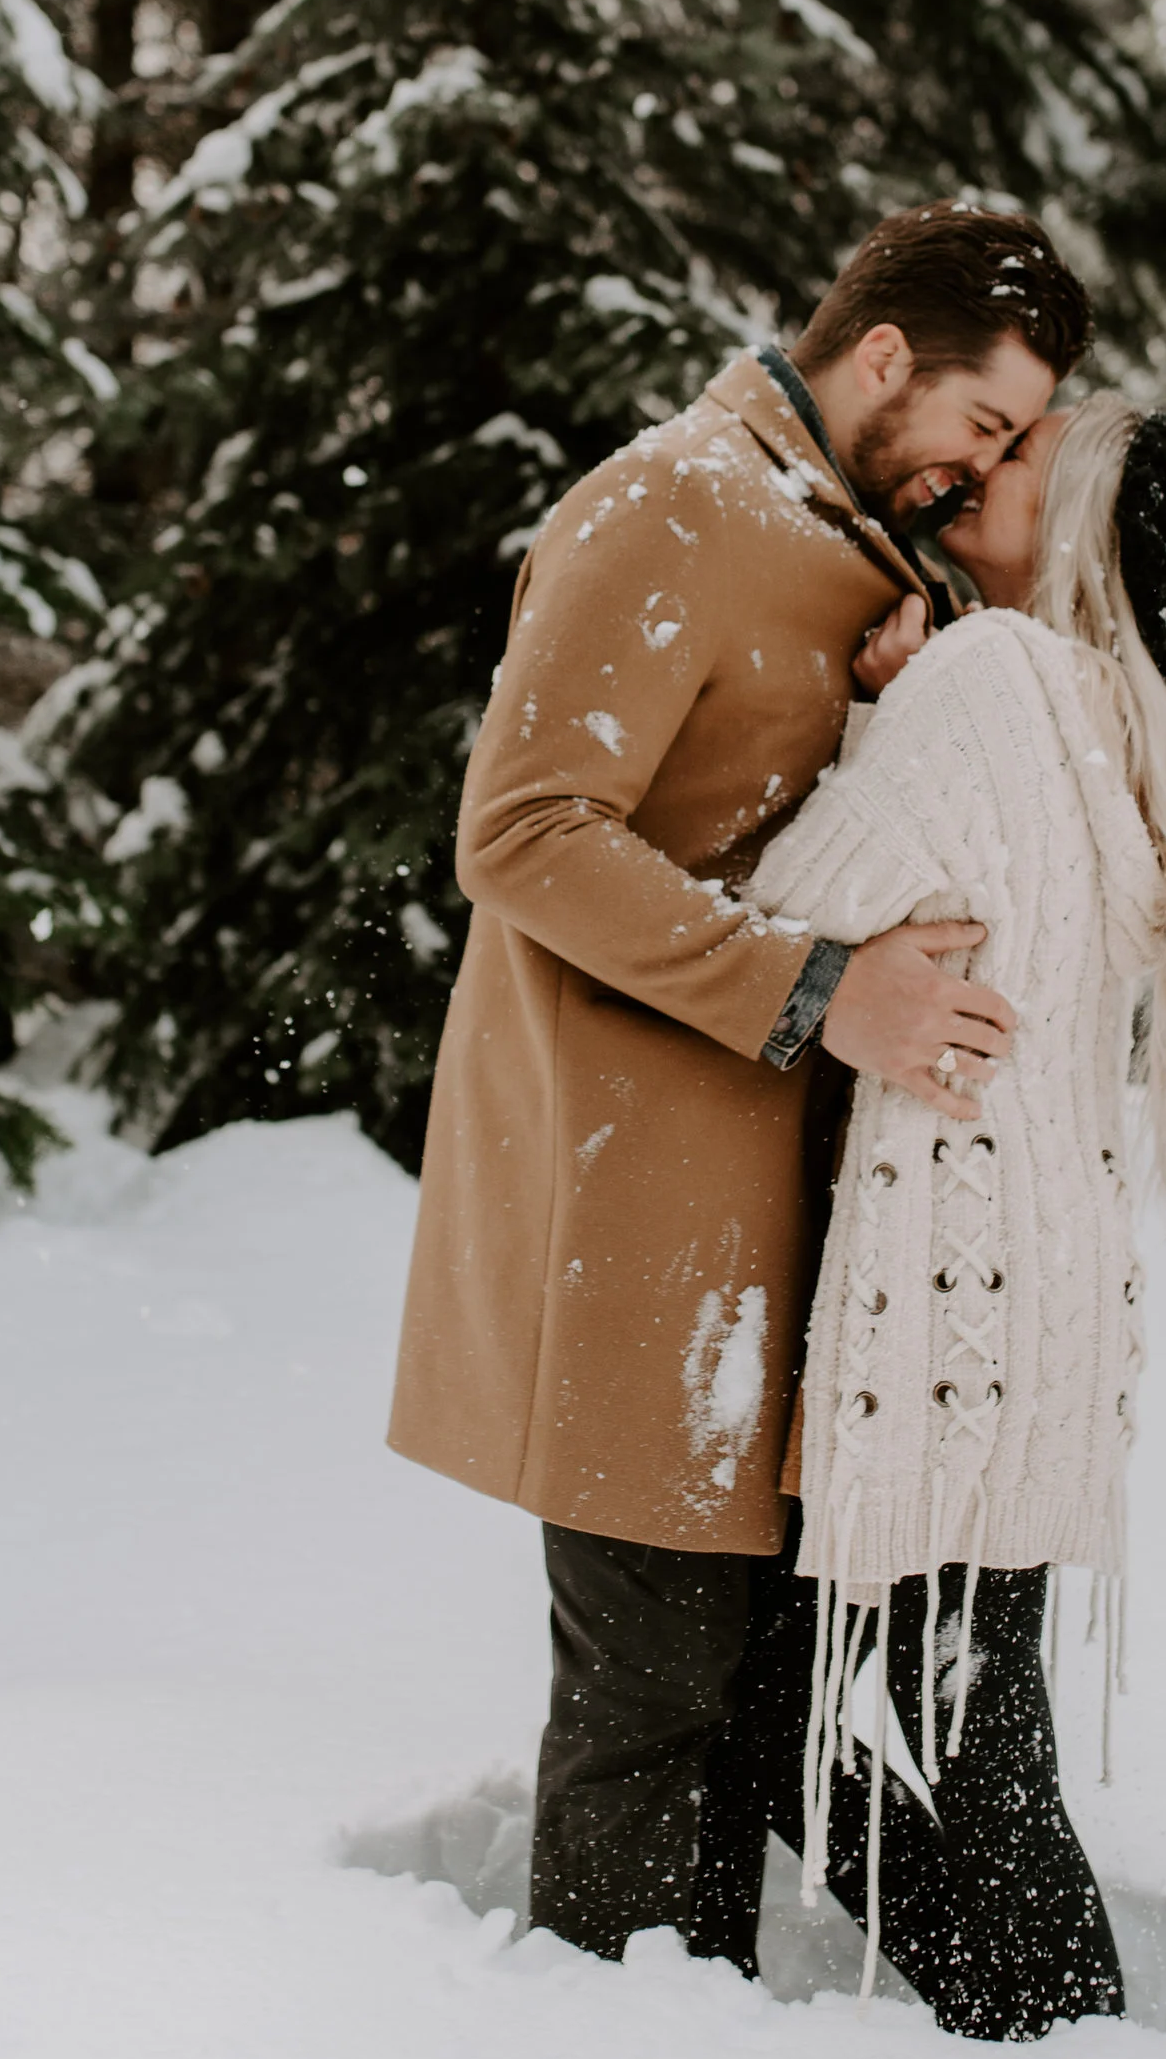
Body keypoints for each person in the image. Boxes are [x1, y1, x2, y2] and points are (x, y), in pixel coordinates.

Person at [387, 203, 1094, 1962]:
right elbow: (525, 831)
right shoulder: (670, 506)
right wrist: (819, 992)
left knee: (757, 1713)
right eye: (983, 426)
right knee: (651, 1712)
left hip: (802, 1244)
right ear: (879, 361)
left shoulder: (871, 552)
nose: (984, 466)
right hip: (638, 1230)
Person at [740, 393, 1166, 2037]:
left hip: (958, 1302)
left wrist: (877, 705)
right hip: (1050, 1305)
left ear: (1087, 530)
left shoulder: (993, 678)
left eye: (1034, 457)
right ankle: (1041, 2044)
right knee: (979, 1729)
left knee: (788, 1708)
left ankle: (1055, 2056)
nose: (991, 461)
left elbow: (786, 900)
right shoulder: (1127, 732)